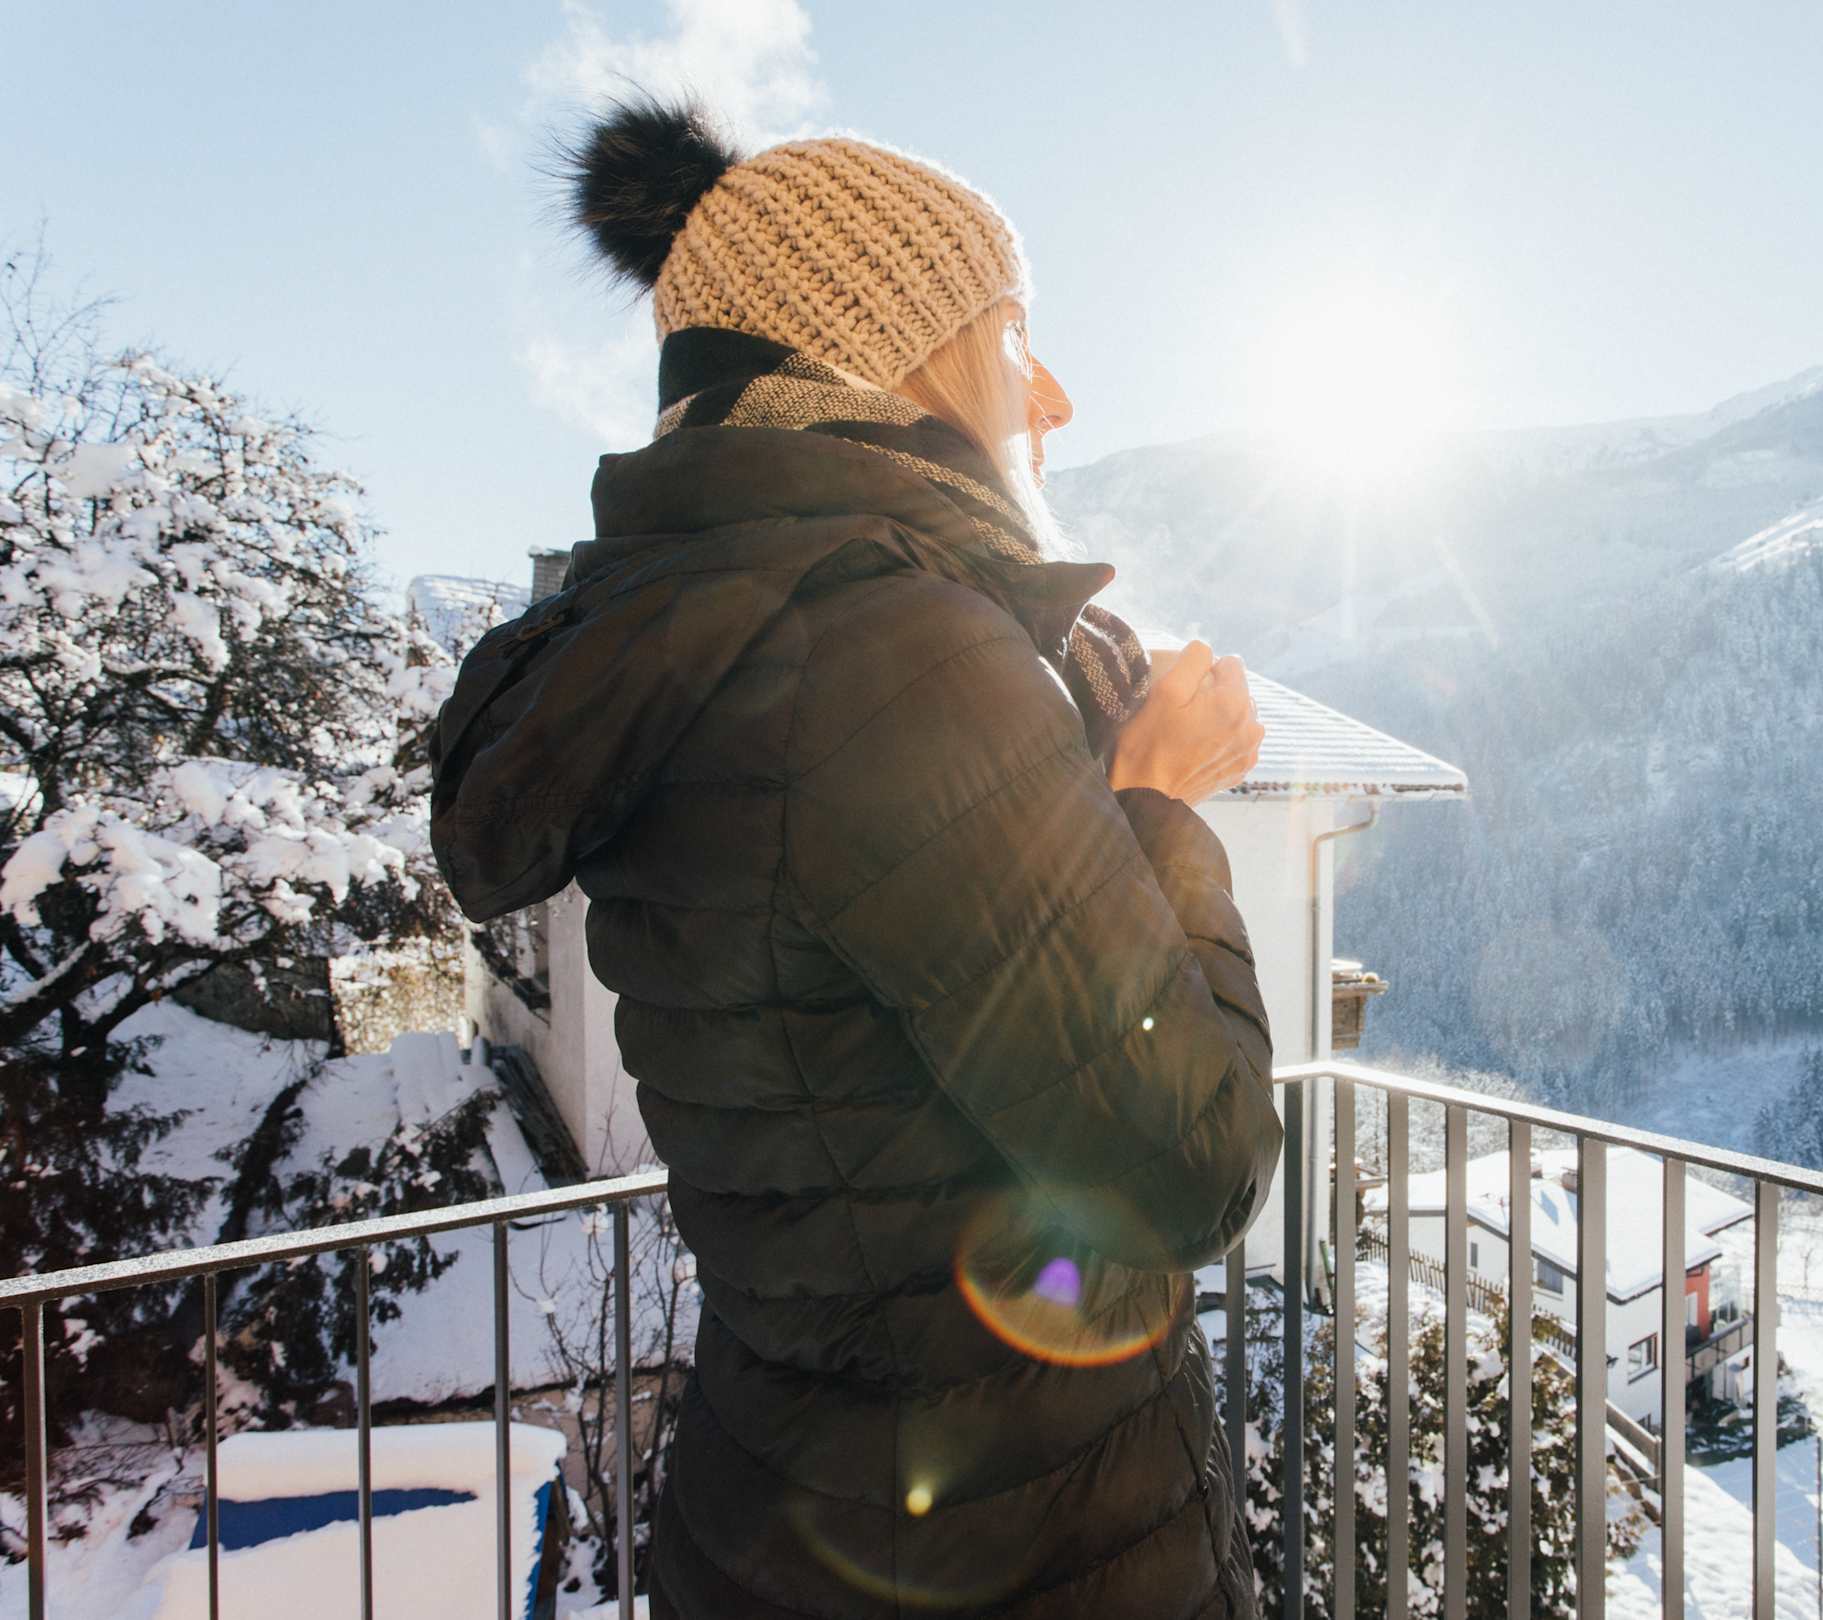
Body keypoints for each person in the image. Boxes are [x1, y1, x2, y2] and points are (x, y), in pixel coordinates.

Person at [431, 98, 1282, 1619]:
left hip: (796, 1498)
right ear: (897, 356)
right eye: (1016, 334)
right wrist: (1158, 804)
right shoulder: (891, 652)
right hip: (1015, 1538)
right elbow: (1185, 1165)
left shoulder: (710, 633)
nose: (1056, 394)